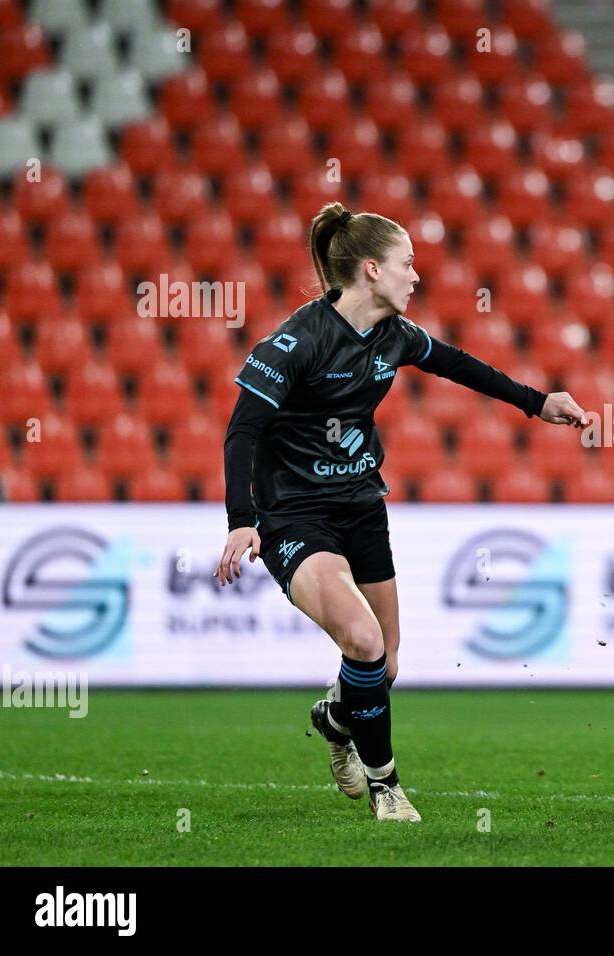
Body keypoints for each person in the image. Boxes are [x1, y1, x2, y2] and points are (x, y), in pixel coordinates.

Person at [215, 203, 586, 821]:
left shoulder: (396, 336)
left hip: (361, 507)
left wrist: (538, 402)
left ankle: (335, 719)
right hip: (295, 517)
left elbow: (462, 366)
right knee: (361, 641)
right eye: (407, 264)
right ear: (369, 270)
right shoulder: (296, 342)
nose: (416, 275)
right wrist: (240, 519)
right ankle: (386, 785)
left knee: (382, 667)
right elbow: (241, 431)